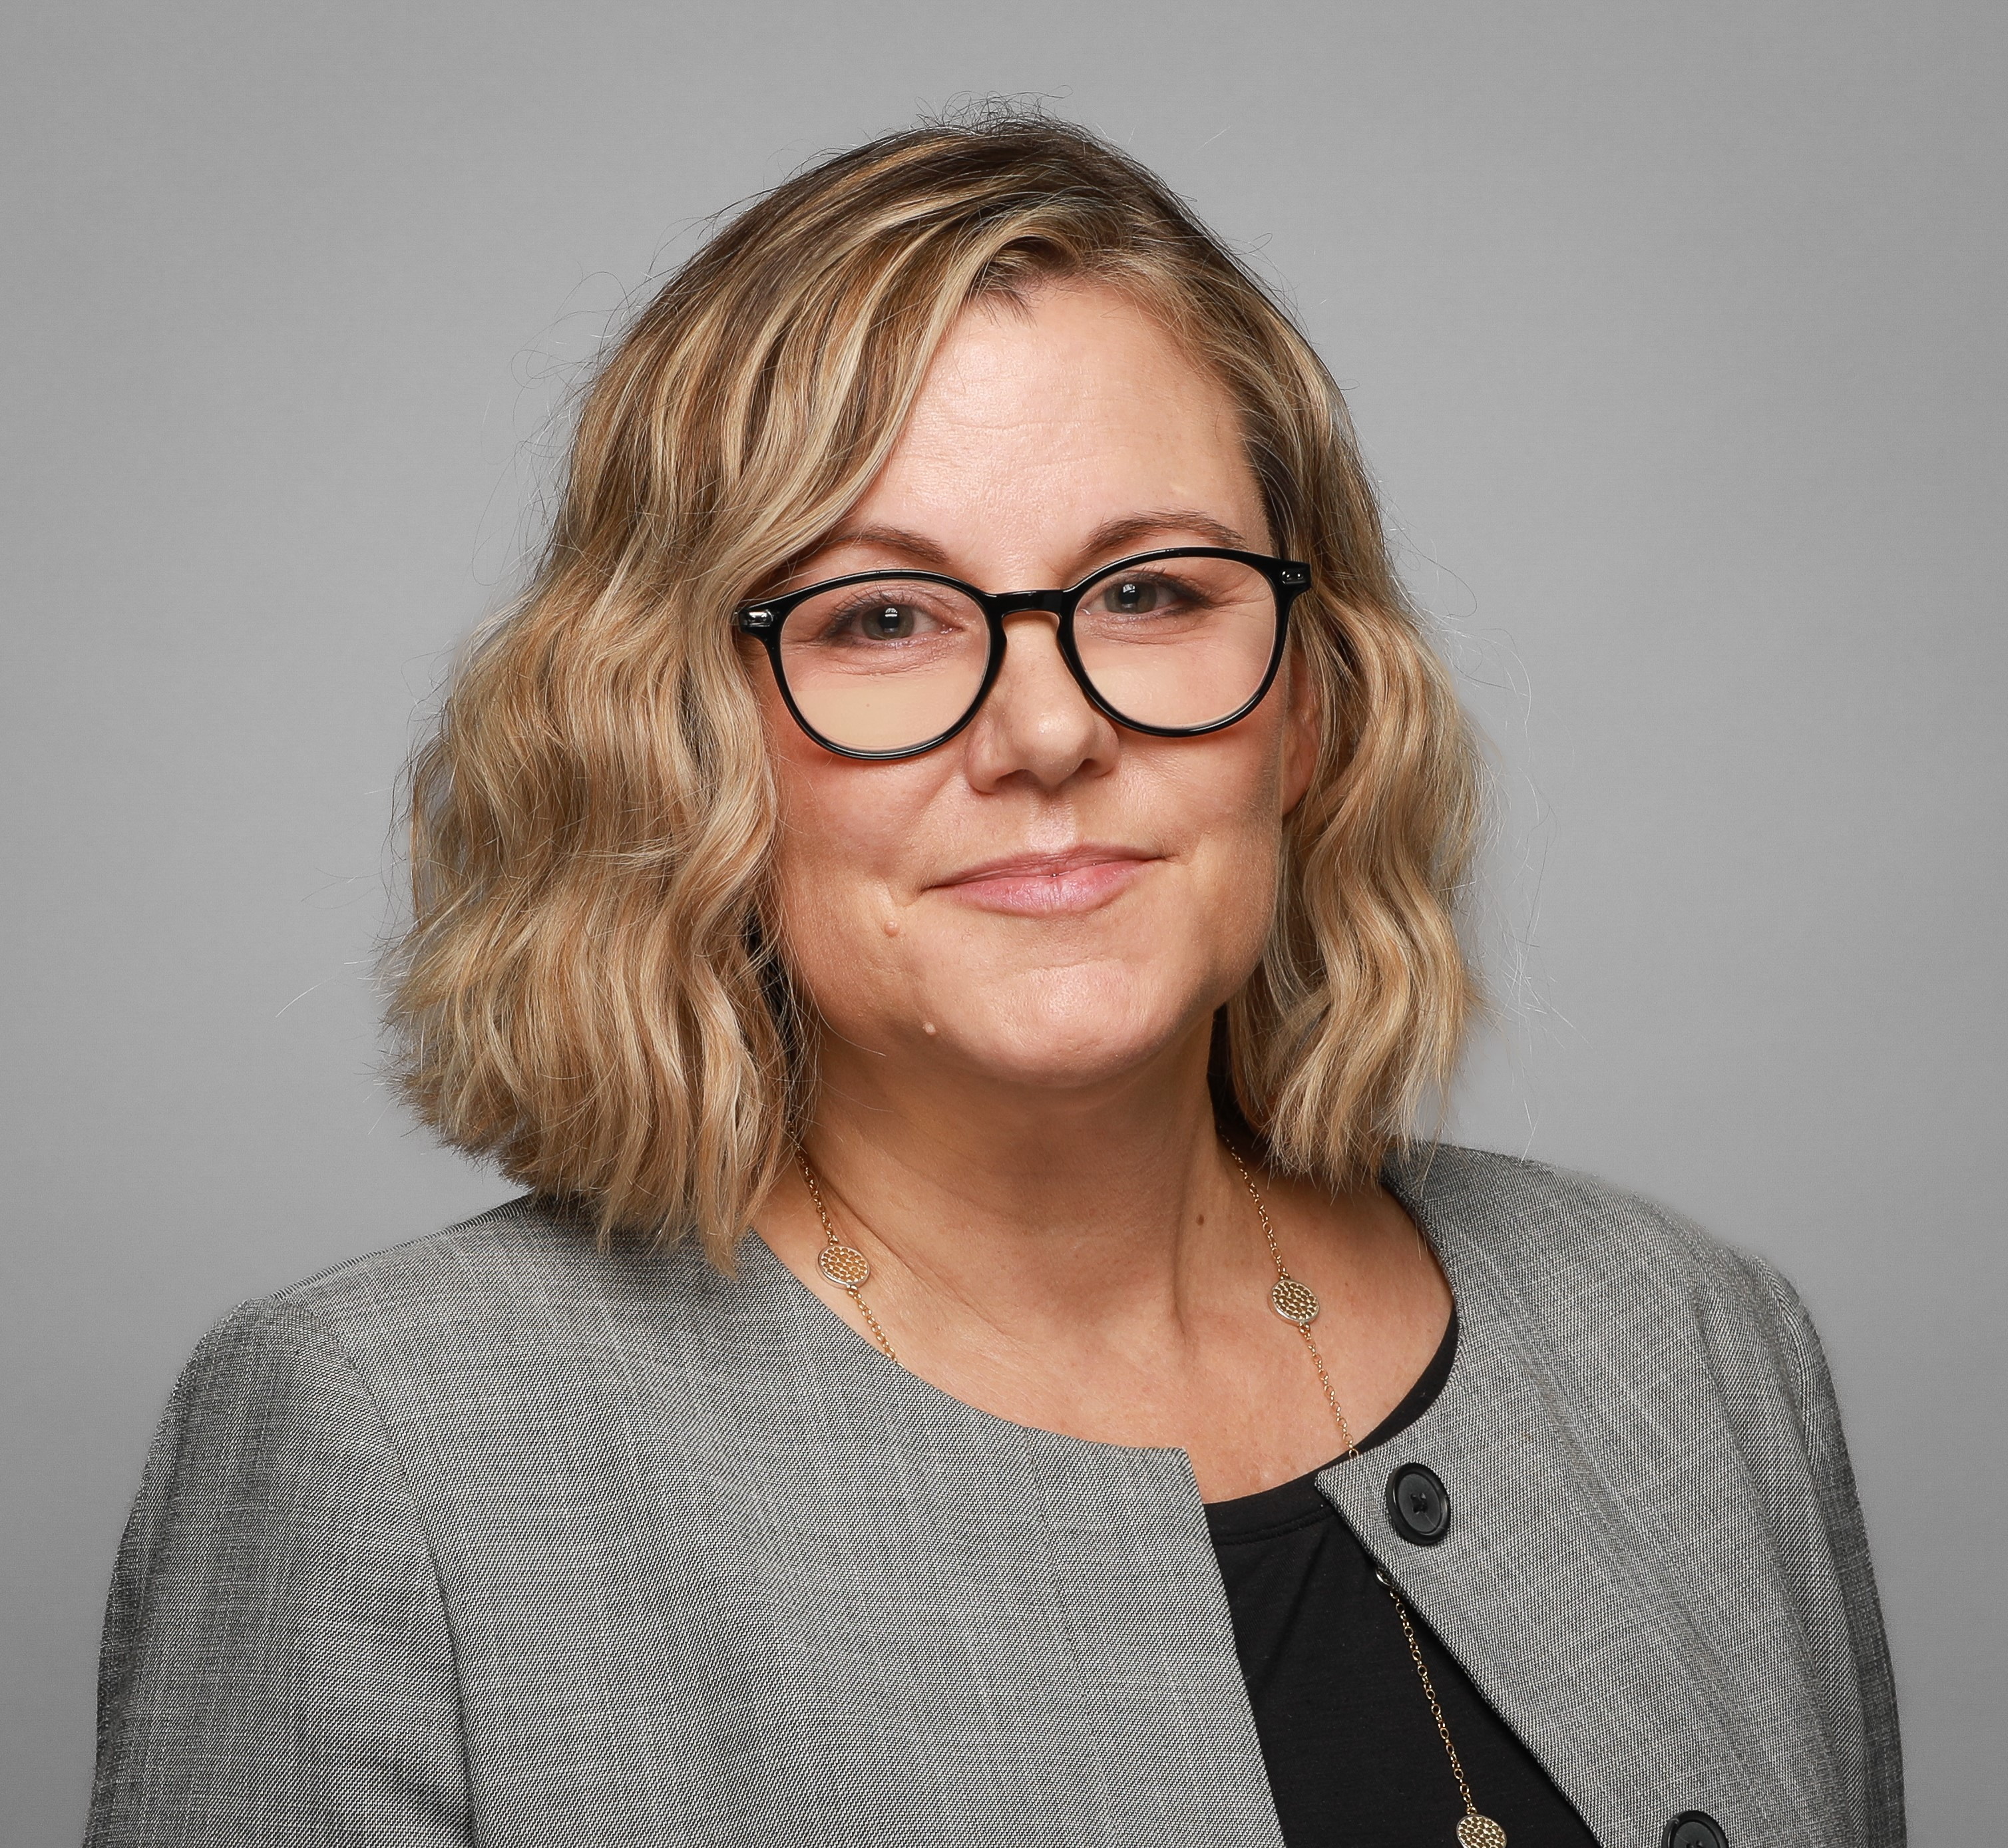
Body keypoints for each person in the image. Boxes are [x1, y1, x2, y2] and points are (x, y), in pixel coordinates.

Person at [85, 114, 1902, 1848]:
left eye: (1153, 593)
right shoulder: (395, 1448)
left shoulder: (1680, 1344)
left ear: (1312, 702)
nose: (1046, 729)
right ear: (675, 746)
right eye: (880, 617)